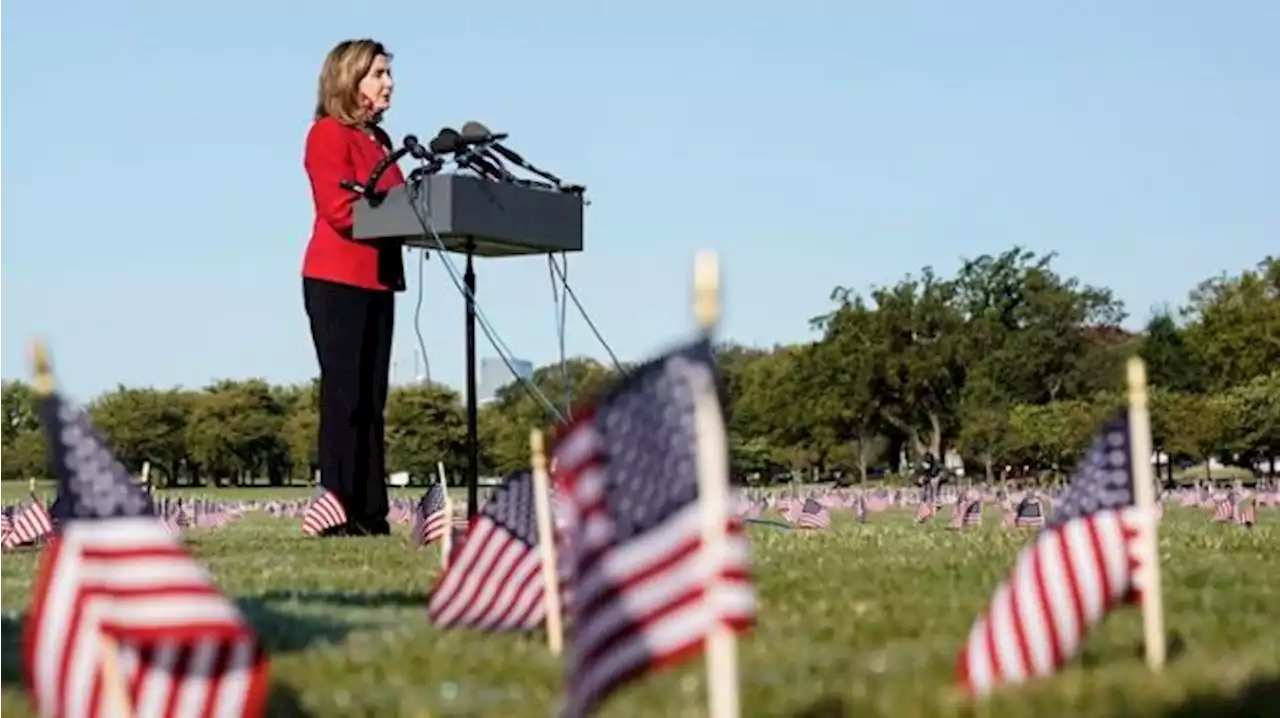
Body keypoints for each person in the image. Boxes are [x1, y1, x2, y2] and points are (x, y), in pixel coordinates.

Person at [302, 39, 404, 536]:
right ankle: (337, 512)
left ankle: (370, 513)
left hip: (379, 279)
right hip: (336, 279)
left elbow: (400, 202)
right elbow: (339, 211)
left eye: (389, 73)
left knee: (372, 399)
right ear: (350, 80)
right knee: (345, 399)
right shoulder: (327, 135)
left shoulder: (380, 142)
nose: (389, 83)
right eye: (378, 74)